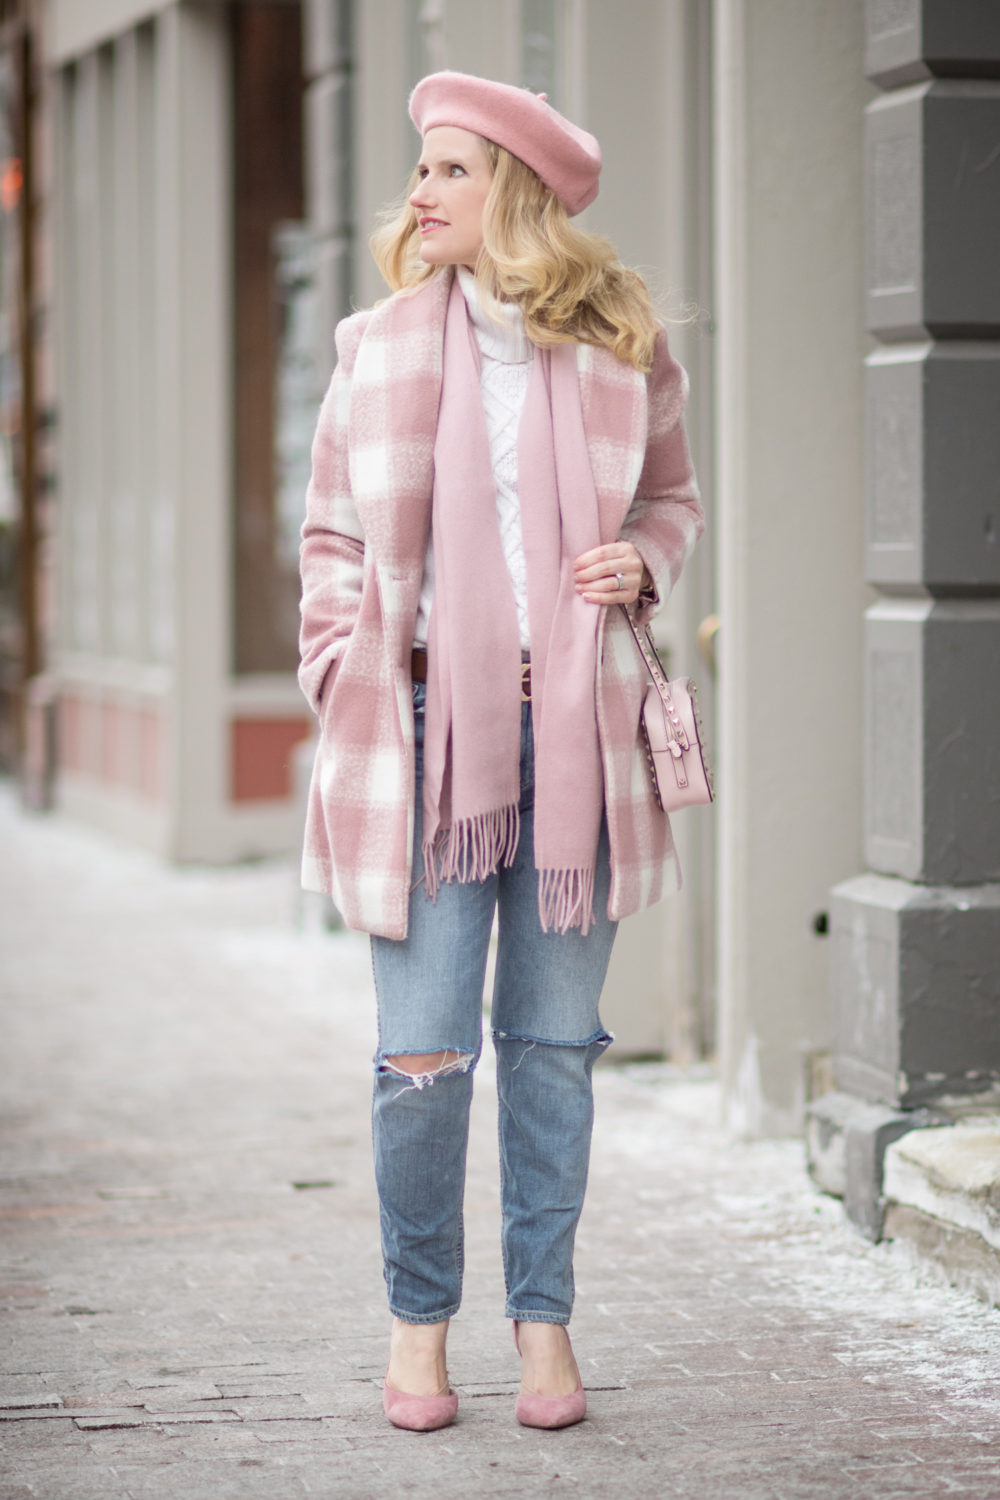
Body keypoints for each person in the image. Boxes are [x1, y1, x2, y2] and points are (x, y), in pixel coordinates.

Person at [298, 71, 704, 1433]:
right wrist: (341, 667)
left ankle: (544, 1325)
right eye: (422, 168)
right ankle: (419, 1328)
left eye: (452, 170)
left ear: (517, 193)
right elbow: (331, 541)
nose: (420, 191)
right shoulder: (375, 349)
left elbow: (672, 502)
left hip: (577, 731)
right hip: (424, 737)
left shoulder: (622, 347)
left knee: (550, 1049)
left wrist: (640, 562)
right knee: (421, 1062)